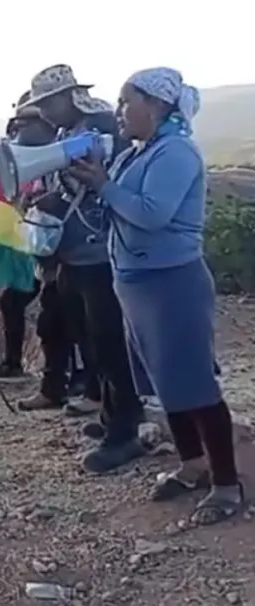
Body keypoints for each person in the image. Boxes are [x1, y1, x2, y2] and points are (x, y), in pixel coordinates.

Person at [69, 67, 241, 525]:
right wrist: (93, 186)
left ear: (158, 106)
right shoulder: (141, 153)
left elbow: (152, 214)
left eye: (128, 102)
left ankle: (226, 484)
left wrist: (105, 185)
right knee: (166, 382)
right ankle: (193, 464)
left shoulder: (176, 153)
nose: (120, 112)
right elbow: (117, 209)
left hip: (171, 282)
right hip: (138, 282)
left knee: (194, 383)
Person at [18, 64, 144, 473]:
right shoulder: (64, 133)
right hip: (74, 253)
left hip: (101, 254)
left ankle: (125, 431)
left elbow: (116, 180)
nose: (47, 112)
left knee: (109, 342)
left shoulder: (104, 125)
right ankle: (111, 415)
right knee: (90, 340)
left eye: (50, 102)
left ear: (70, 97)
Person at [0, 92, 56, 382]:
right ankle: (16, 364)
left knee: (60, 316)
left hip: (60, 250)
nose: (19, 131)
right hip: (37, 245)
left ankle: (68, 379)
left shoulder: (58, 154)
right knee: (12, 302)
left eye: (25, 123)